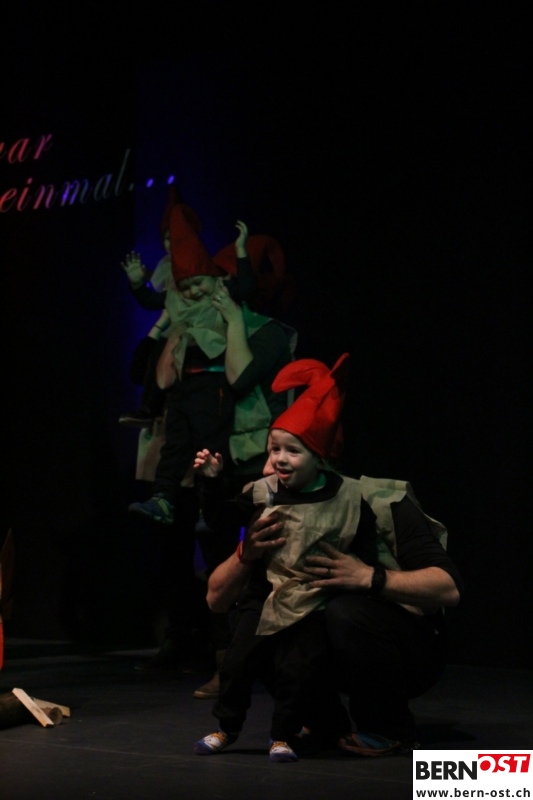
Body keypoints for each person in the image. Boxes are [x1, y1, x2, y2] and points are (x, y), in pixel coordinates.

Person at [193, 354, 463, 760]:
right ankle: (322, 722)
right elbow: (216, 599)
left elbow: (449, 589)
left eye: (290, 451)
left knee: (343, 611)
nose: (272, 465)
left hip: (403, 645)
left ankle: (387, 727)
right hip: (319, 624)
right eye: (272, 450)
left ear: (319, 457)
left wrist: (368, 576)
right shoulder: (272, 502)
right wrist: (246, 554)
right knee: (265, 618)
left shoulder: (375, 500)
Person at [128, 203, 295, 689]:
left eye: (214, 283)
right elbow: (159, 378)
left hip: (248, 461)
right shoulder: (190, 323)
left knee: (243, 559)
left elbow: (240, 380)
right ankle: (209, 651)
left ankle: (245, 660)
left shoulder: (262, 331)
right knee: (203, 556)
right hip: (203, 462)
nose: (203, 293)